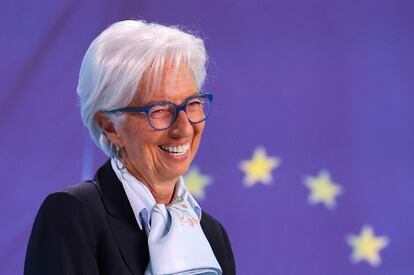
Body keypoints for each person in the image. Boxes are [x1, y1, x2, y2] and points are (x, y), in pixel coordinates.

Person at [24, 20, 236, 275]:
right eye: (160, 110)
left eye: (192, 104)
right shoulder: (73, 215)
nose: (185, 129)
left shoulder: (211, 234)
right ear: (110, 127)